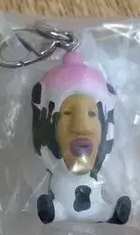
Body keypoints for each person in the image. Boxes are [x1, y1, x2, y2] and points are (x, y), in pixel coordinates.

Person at [31, 52, 131, 225]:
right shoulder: (50, 151)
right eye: (67, 113)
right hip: (58, 210)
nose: (81, 127)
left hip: (99, 210)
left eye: (92, 114)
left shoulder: (103, 149)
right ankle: (54, 212)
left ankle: (109, 213)